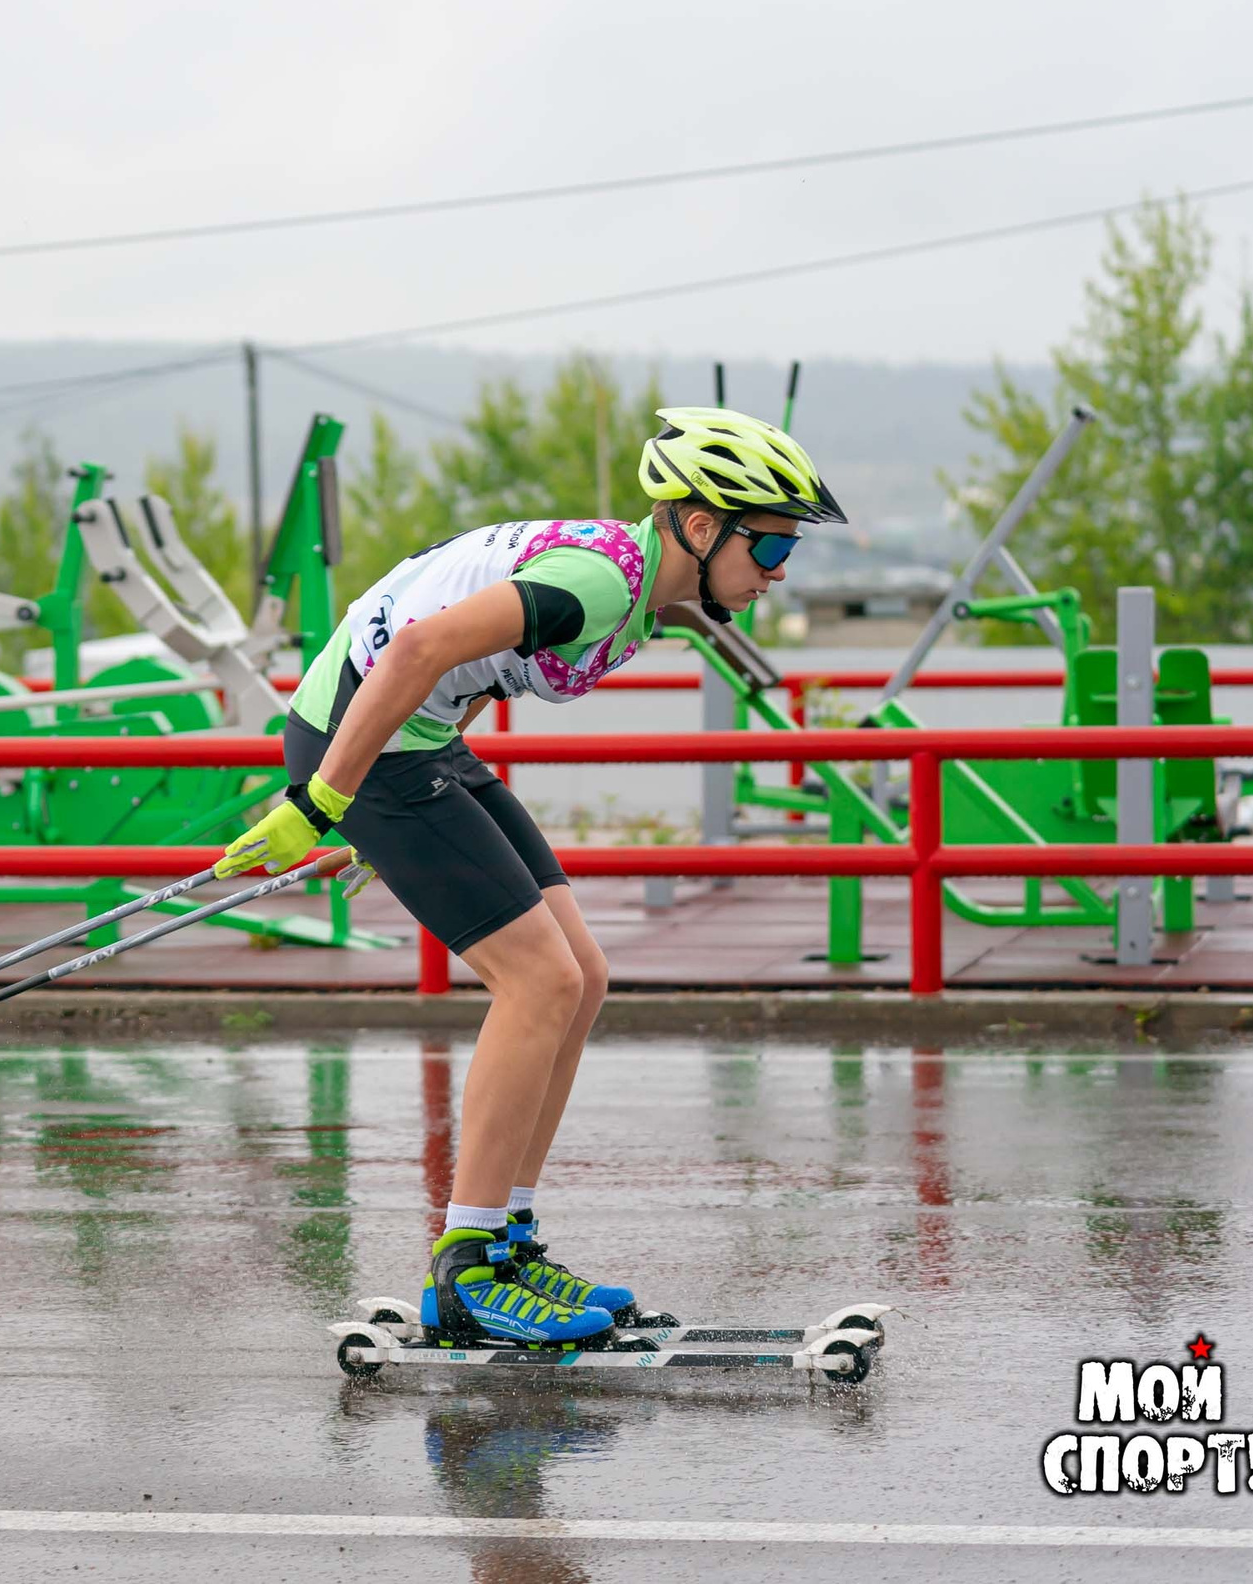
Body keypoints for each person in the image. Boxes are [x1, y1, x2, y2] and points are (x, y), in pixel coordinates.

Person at [216, 406, 847, 1347]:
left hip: (411, 738)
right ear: (702, 526)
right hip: (369, 736)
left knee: (583, 976)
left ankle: (508, 1242)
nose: (779, 571)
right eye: (769, 545)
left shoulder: (642, 593)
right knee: (538, 979)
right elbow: (419, 648)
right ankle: (467, 1270)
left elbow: (459, 673)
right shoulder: (597, 584)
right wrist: (326, 800)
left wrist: (370, 815)